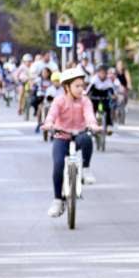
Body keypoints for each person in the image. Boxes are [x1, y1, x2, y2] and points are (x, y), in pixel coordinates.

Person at [42, 67, 101, 217]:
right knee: (58, 166)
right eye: (77, 86)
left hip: (79, 135)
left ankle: (86, 169)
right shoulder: (59, 101)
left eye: (83, 85)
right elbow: (52, 115)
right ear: (67, 87)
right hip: (61, 137)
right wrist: (49, 124)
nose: (81, 89)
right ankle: (57, 200)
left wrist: (93, 125)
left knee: (87, 138)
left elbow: (89, 115)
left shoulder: (85, 101)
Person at [88, 65, 118, 134]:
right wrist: (86, 95)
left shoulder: (108, 80)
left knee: (107, 109)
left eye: (104, 73)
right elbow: (89, 89)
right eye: (101, 73)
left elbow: (112, 90)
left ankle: (107, 126)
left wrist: (114, 96)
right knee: (92, 109)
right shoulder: (94, 79)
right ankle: (91, 126)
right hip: (95, 97)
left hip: (104, 97)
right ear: (98, 73)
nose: (102, 75)